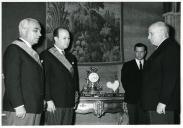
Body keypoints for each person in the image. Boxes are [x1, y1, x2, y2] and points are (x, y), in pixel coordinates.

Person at [2, 18, 44, 125]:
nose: (40, 34)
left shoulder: (32, 53)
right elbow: (11, 80)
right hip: (21, 110)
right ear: (24, 30)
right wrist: (18, 105)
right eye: (36, 30)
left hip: (34, 107)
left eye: (40, 31)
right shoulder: (14, 49)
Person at [141, 21, 180, 124]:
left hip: (161, 105)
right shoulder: (164, 48)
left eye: (151, 33)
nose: (148, 37)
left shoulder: (170, 48)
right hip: (156, 102)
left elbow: (170, 77)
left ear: (162, 33)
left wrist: (163, 101)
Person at [40, 27, 79, 125]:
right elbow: (45, 79)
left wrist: (75, 98)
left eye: (69, 38)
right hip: (54, 102)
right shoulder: (46, 55)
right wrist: (48, 99)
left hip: (69, 102)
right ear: (56, 39)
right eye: (64, 38)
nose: (67, 41)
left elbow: (75, 80)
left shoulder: (71, 57)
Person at [121, 43, 147, 124]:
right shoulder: (127, 65)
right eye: (137, 51)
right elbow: (124, 82)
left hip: (146, 101)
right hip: (131, 100)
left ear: (145, 52)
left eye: (141, 51)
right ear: (134, 52)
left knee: (144, 123)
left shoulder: (150, 64)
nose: (139, 54)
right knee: (133, 122)